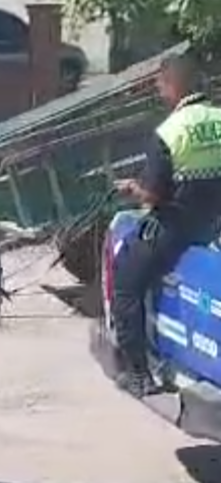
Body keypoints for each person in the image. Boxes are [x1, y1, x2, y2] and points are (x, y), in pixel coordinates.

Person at [111, 53, 221, 398]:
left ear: (173, 85)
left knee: (126, 279)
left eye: (160, 85)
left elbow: (154, 194)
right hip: (214, 224)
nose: (159, 92)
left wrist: (132, 189)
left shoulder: (169, 131)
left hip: (179, 228)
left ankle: (139, 374)